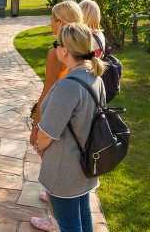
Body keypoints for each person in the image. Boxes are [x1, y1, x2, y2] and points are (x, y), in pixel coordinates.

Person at [32, 22, 105, 232]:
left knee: (70, 225)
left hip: (65, 170)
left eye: (56, 43)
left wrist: (40, 145)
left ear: (64, 50)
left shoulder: (68, 85)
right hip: (85, 164)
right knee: (83, 218)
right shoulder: (94, 76)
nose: (54, 48)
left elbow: (47, 132)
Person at [29, 0, 83, 231]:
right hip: (81, 123)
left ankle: (52, 220)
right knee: (79, 196)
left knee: (53, 171)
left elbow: (48, 90)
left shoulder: (56, 53)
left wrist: (36, 125)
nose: (49, 24)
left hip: (58, 120)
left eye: (51, 19)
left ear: (59, 21)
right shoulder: (87, 46)